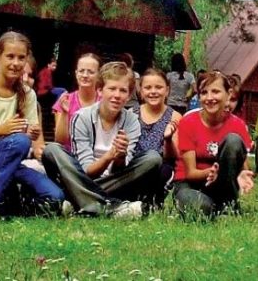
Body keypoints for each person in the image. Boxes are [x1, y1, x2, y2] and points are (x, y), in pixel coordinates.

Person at [0, 32, 64, 222]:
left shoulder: (28, 95)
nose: (16, 63)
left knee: (54, 197)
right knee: (18, 141)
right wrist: (2, 130)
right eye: (10, 56)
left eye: (21, 58)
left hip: (11, 162)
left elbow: (30, 136)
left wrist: (32, 133)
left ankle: (10, 207)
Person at [42, 62, 160, 217]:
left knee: (153, 158)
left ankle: (78, 200)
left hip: (113, 181)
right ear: (100, 90)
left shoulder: (132, 121)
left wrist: (120, 156)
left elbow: (120, 170)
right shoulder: (82, 117)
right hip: (82, 176)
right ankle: (113, 208)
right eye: (111, 89)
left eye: (123, 91)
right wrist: (108, 156)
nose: (117, 95)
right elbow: (86, 171)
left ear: (129, 95)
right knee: (52, 150)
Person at [173, 71, 255, 219]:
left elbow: (242, 166)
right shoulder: (188, 122)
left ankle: (226, 205)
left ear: (228, 94)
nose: (209, 98)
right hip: (190, 185)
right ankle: (217, 207)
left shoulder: (238, 125)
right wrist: (211, 172)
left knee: (233, 139)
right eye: (204, 93)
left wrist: (241, 174)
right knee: (202, 209)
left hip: (221, 185)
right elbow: (190, 173)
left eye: (216, 91)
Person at [133, 67, 182, 207]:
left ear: (166, 91)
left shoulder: (175, 116)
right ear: (141, 91)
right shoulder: (132, 114)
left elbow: (174, 156)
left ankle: (153, 201)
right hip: (137, 165)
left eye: (158, 87)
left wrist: (167, 139)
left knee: (164, 170)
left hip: (162, 166)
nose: (153, 91)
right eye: (148, 88)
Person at [54, 52, 102, 150]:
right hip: (70, 155)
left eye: (90, 72)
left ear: (98, 75)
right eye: (81, 71)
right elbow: (60, 140)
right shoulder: (65, 99)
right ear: (76, 74)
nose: (85, 75)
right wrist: (64, 113)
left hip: (96, 155)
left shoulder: (104, 101)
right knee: (52, 149)